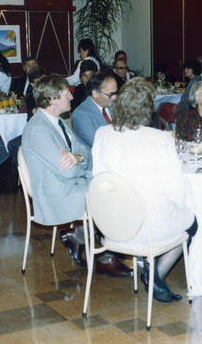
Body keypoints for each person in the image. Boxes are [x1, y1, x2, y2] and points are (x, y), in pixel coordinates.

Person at [92, 77, 198, 302]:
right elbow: (177, 191)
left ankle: (153, 273)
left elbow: (98, 179)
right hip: (150, 229)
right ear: (148, 108)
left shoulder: (102, 134)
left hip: (113, 225)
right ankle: (156, 273)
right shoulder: (160, 138)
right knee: (193, 222)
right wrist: (181, 207)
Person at [22, 75, 131, 277]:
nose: (71, 98)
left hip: (70, 184)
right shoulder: (38, 129)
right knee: (111, 196)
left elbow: (82, 148)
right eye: (66, 94)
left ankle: (84, 238)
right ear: (52, 99)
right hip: (57, 192)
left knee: (115, 187)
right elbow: (70, 170)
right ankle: (107, 257)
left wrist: (78, 157)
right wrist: (79, 162)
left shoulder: (56, 121)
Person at [72, 71, 117, 170]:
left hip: (116, 161)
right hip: (96, 167)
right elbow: (100, 143)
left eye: (115, 93)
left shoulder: (114, 106)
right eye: (111, 94)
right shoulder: (81, 114)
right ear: (95, 93)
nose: (115, 97)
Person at [7, 66, 47, 167]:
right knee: (12, 145)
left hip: (50, 131)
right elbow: (30, 120)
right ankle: (25, 175)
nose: (42, 85)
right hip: (36, 132)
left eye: (44, 80)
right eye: (38, 83)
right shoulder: (31, 99)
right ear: (32, 85)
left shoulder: (55, 94)